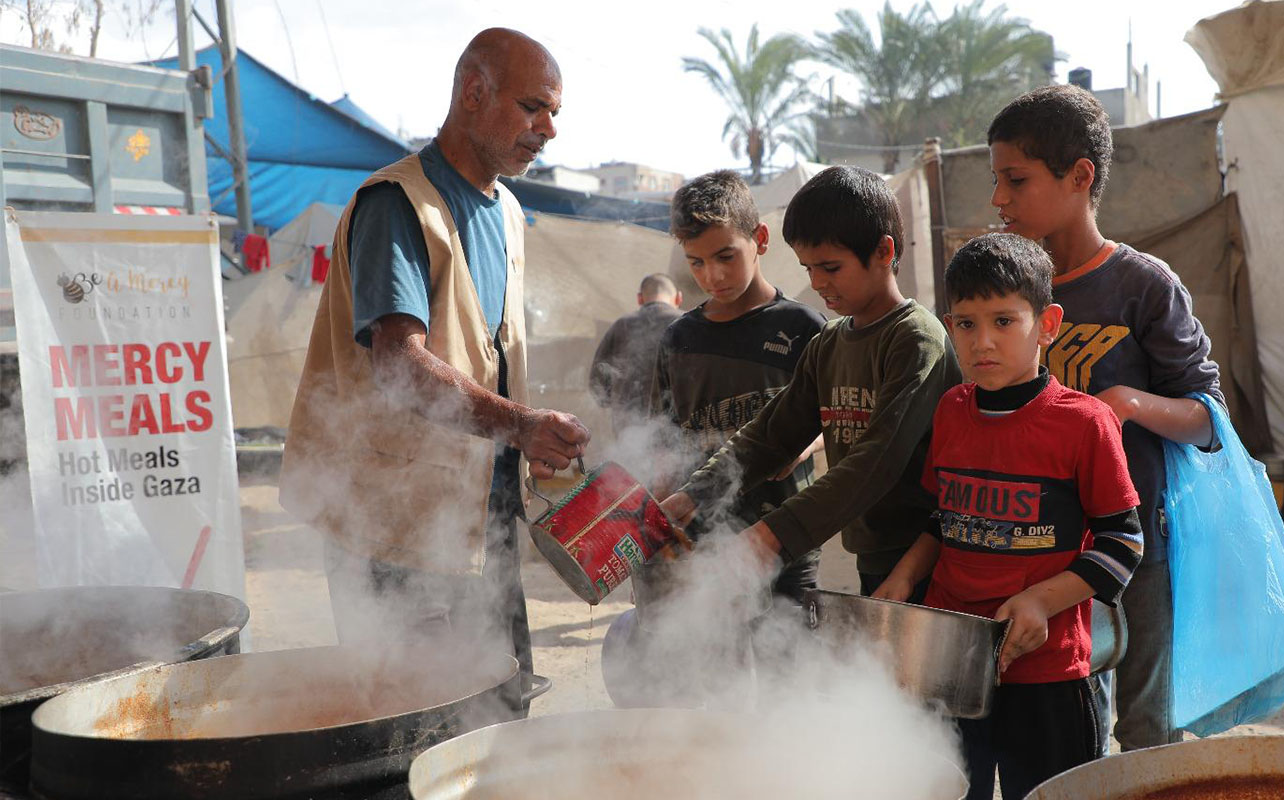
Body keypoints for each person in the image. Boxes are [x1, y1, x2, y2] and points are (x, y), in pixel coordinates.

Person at [278, 28, 590, 716]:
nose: (549, 131)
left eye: (556, 114)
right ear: (473, 94)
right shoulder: (397, 203)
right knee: (412, 725)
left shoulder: (507, 209)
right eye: (534, 107)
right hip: (396, 529)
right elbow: (399, 365)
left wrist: (536, 440)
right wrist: (521, 423)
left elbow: (488, 351)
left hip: (482, 522)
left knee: (499, 710)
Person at [987, 84, 1223, 751]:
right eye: (995, 181)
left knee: (1147, 731)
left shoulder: (1143, 285)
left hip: (1138, 548)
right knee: (1071, 732)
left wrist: (1124, 405)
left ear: (1079, 176)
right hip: (1041, 555)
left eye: (1015, 180)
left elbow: (1210, 421)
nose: (998, 199)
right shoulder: (1007, 295)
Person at [874, 233, 1144, 799]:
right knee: (948, 789)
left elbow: (1123, 545)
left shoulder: (1085, 423)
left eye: (1003, 321)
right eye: (966, 324)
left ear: (1047, 323)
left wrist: (1040, 601)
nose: (982, 343)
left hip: (1046, 671)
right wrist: (903, 575)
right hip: (949, 663)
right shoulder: (951, 410)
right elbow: (941, 518)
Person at [659, 165, 961, 600]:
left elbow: (875, 463)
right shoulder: (831, 343)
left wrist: (772, 534)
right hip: (874, 553)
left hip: (931, 557)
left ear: (882, 251)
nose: (817, 283)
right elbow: (767, 437)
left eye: (831, 267)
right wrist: (692, 496)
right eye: (808, 268)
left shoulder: (915, 339)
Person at [588, 273, 682, 433]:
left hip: (627, 431)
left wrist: (617, 402)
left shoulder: (621, 325)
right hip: (677, 433)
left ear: (640, 298)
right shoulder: (685, 324)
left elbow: (598, 384)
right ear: (678, 299)